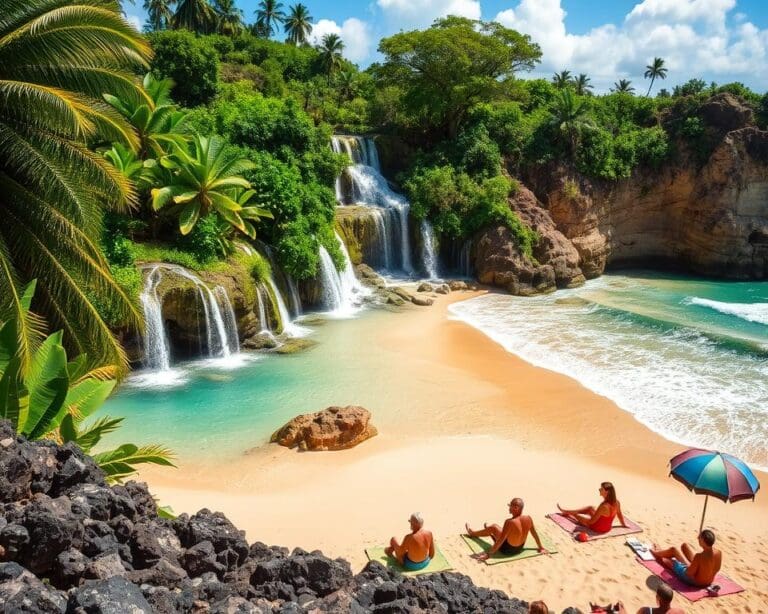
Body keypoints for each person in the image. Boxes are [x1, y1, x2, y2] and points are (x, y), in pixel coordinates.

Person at [465, 497, 547, 561]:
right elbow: (534, 533)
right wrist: (541, 547)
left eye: (510, 506)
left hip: (507, 551)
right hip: (519, 549)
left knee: (494, 527)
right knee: (496, 528)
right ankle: (488, 530)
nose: (509, 508)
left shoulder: (509, 522)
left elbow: (501, 540)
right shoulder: (528, 518)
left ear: (516, 508)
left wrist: (489, 554)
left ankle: (472, 533)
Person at [650, 529, 721, 588]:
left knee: (673, 553)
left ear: (703, 541)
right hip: (708, 581)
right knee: (684, 546)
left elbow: (689, 573)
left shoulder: (699, 556)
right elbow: (716, 569)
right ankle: (662, 552)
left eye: (699, 537)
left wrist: (682, 564)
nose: (698, 538)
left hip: (696, 581)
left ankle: (656, 553)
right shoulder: (718, 553)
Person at [557, 482, 626, 534]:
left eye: (601, 489)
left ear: (606, 492)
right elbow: (619, 515)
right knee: (590, 508)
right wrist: (624, 524)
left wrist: (581, 518)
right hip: (607, 528)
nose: (599, 490)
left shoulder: (603, 506)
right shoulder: (617, 502)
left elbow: (591, 522)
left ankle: (568, 512)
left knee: (576, 515)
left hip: (597, 528)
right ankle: (566, 511)